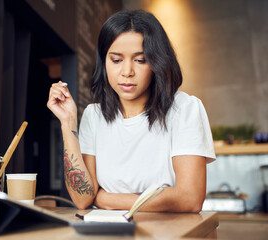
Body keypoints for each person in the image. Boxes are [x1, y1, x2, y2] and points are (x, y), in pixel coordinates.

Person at [47, 10, 215, 212]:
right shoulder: (94, 116)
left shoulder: (184, 109)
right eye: (116, 60)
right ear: (104, 62)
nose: (127, 72)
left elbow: (190, 198)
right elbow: (83, 199)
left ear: (157, 62)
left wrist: (103, 198)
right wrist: (67, 122)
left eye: (140, 60)